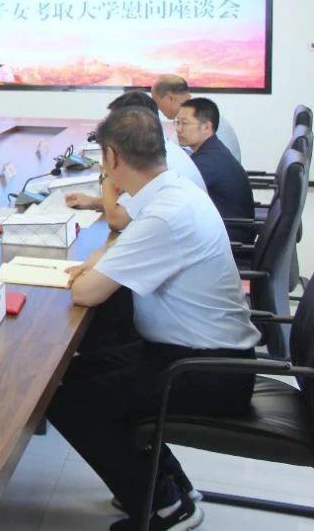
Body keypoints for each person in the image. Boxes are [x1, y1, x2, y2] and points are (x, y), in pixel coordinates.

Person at [49, 107, 259, 531]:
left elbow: (86, 292)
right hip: (203, 356)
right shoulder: (171, 191)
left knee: (69, 402)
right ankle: (169, 485)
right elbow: (121, 243)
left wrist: (92, 270)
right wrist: (101, 261)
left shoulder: (165, 213)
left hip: (205, 371)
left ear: (111, 157)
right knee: (79, 371)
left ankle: (166, 507)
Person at [66, 91, 205, 231]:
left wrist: (107, 173)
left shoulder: (158, 162)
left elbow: (117, 219)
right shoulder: (157, 149)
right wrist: (93, 202)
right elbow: (137, 204)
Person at [176, 98, 255, 243]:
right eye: (177, 122)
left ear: (207, 127)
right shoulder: (212, 150)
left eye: (184, 123)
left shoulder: (209, 161)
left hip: (229, 237)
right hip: (223, 230)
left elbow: (173, 192)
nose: (178, 129)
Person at [152, 74, 241, 162]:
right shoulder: (198, 113)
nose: (158, 109)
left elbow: (172, 160)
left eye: (156, 102)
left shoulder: (196, 118)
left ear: (170, 98)